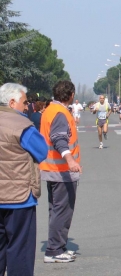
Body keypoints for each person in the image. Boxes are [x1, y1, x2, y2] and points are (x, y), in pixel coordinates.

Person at [0, 83, 47, 276]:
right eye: (24, 101)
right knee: (20, 250)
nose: (27, 106)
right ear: (12, 102)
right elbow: (42, 151)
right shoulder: (22, 126)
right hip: (19, 199)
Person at [39, 80, 82, 263]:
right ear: (71, 95)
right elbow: (58, 139)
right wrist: (70, 159)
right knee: (62, 211)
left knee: (56, 209)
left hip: (52, 168)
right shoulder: (60, 113)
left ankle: (58, 246)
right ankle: (54, 250)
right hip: (62, 170)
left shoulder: (50, 110)